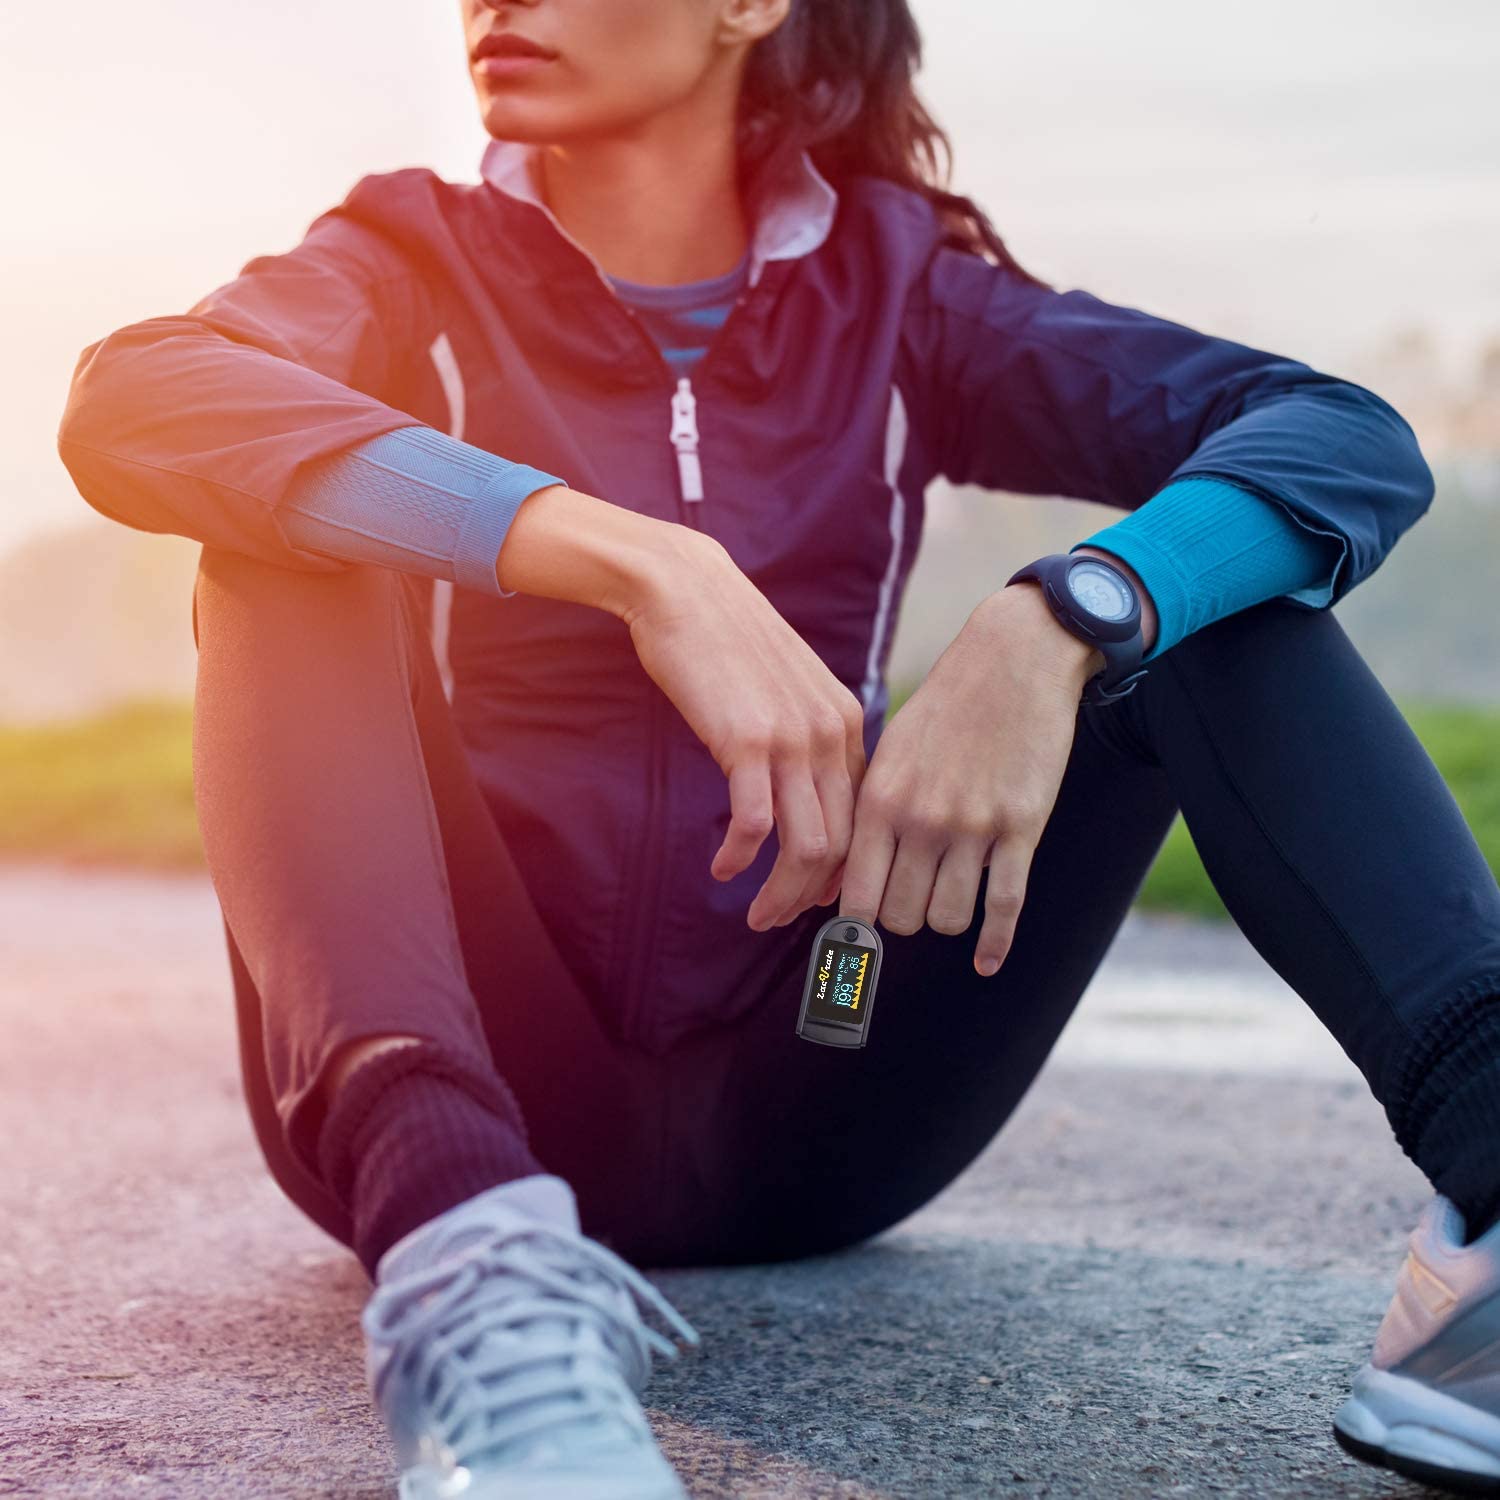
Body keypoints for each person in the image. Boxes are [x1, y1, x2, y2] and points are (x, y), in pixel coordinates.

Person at [56, 1, 1500, 1495]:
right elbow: (140, 397)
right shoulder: (410, 257)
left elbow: (1338, 433)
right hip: (473, 1078)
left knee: (1205, 596)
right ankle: (473, 1299)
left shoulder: (901, 292)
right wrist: (627, 560)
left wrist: (1062, 616)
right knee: (273, 538)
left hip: (835, 1075)